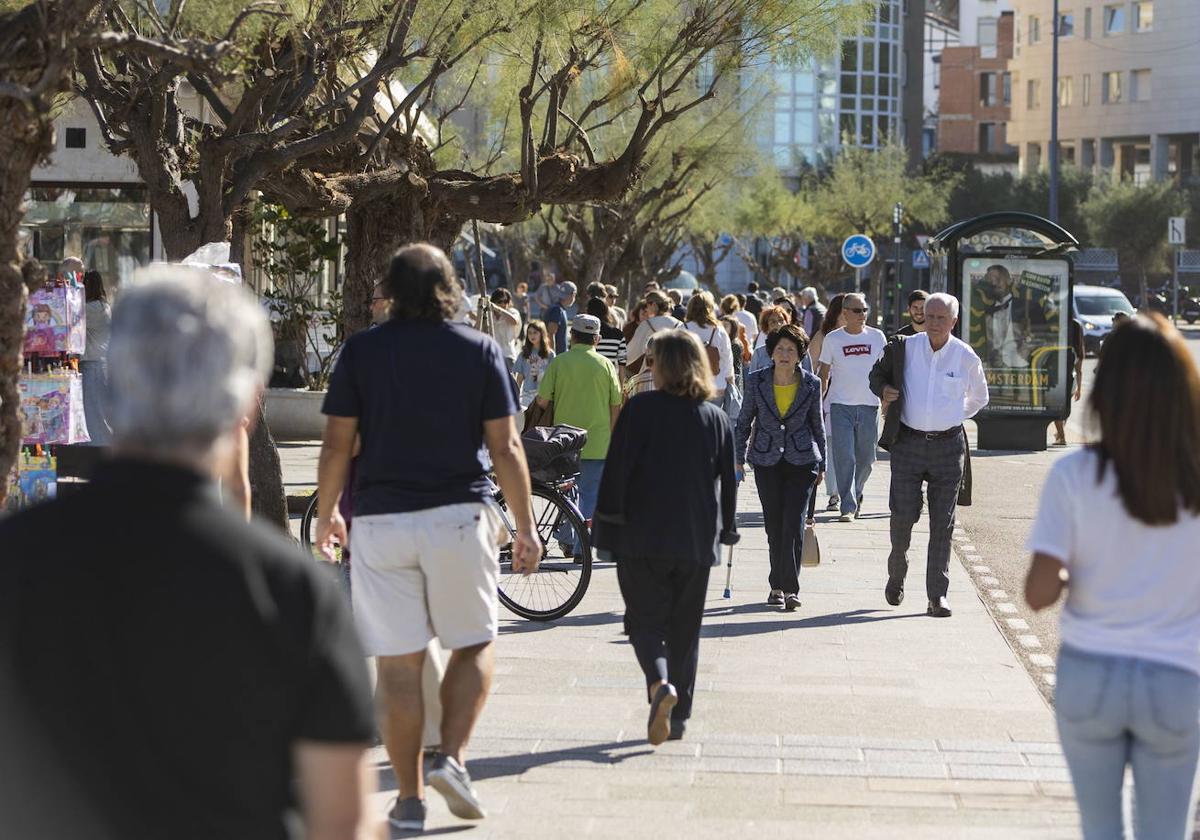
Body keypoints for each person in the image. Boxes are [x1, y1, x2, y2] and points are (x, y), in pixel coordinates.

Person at [0, 267, 378, 839]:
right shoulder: (293, 591)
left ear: (114, 385)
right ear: (240, 407)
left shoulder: (17, 558)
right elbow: (344, 823)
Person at [316, 243, 541, 832]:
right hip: (456, 518)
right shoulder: (479, 350)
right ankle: (452, 758)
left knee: (397, 667)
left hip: (380, 523)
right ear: (450, 290)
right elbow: (506, 447)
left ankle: (410, 801)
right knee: (474, 643)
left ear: (388, 290)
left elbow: (337, 443)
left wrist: (327, 517)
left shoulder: (360, 352)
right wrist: (525, 527)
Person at [1024, 314, 1200, 840]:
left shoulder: (1075, 475)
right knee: (1164, 830)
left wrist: (1077, 569)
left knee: (1100, 827)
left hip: (1091, 673)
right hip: (1176, 677)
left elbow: (1037, 594)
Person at [594, 329, 738, 744]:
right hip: (695, 539)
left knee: (642, 622)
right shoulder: (715, 417)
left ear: (662, 366)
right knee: (685, 629)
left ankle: (659, 686)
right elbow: (728, 480)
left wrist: (605, 526)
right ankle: (679, 718)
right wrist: (727, 528)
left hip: (641, 536)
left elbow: (616, 469)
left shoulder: (640, 410)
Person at [870, 293, 989, 618]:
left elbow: (980, 395)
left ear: (953, 321)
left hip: (948, 448)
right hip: (907, 442)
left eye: (941, 318)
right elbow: (875, 375)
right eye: (929, 316)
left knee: (943, 524)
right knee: (902, 517)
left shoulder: (965, 356)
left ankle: (937, 596)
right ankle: (897, 572)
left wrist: (954, 413)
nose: (934, 322)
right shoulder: (904, 347)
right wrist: (884, 391)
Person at [735, 324, 825, 611]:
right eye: (780, 349)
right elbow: (744, 422)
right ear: (771, 353)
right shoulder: (756, 380)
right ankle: (776, 583)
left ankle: (790, 589)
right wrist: (738, 457)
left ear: (799, 355)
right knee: (774, 525)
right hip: (766, 459)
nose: (785, 354)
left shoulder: (811, 383)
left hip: (802, 461)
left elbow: (817, 424)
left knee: (794, 523)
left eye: (791, 350)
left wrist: (821, 461)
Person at [534, 314, 623, 548]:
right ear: (597, 339)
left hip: (563, 443)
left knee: (565, 493)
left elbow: (542, 401)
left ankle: (567, 537)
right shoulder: (606, 365)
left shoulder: (559, 363)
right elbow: (616, 406)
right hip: (598, 442)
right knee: (590, 495)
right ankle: (580, 546)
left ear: (572, 336)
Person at [817, 293, 886, 521]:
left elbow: (886, 371)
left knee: (866, 458)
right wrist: (817, 401)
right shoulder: (833, 339)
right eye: (857, 311)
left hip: (869, 406)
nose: (863, 315)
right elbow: (824, 374)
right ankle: (848, 504)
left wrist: (888, 399)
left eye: (865, 310)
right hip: (840, 406)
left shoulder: (877, 337)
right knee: (844, 456)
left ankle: (857, 492)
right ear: (844, 313)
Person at [808, 294, 847, 512]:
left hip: (856, 399)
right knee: (832, 446)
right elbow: (810, 365)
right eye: (847, 311)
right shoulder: (823, 336)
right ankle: (835, 493)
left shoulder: (863, 336)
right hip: (828, 399)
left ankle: (850, 490)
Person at [684, 291, 735, 404]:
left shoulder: (683, 329)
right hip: (716, 384)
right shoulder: (718, 330)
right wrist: (729, 377)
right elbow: (727, 356)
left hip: (689, 384)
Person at [80, 269, 112, 445]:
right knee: (97, 415)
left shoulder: (92, 309)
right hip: (99, 365)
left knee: (93, 417)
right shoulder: (103, 306)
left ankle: (102, 456)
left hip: (92, 366)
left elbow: (71, 313)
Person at [626, 290, 683, 373]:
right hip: (674, 372)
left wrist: (617, 364)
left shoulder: (646, 324)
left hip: (651, 372)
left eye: (647, 305)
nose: (645, 308)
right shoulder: (679, 324)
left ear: (654, 305)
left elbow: (631, 352)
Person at [1052, 316, 1085, 446]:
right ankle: (1059, 434)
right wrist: (1079, 389)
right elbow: (1079, 371)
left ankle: (1062, 436)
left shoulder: (1063, 348)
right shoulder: (1078, 351)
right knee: (1064, 409)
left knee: (1055, 410)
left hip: (1061, 381)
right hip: (1072, 383)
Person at [513, 320, 556, 409]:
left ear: (542, 334)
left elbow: (553, 377)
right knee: (527, 422)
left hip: (544, 396)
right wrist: (516, 397)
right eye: (529, 333)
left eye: (535, 333)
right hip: (527, 395)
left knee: (541, 422)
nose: (532, 335)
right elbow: (519, 378)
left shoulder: (550, 354)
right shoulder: (524, 354)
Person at [587, 296, 628, 382]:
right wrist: (622, 389)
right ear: (606, 311)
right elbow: (622, 365)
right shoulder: (618, 334)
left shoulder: (585, 334)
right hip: (608, 380)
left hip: (588, 380)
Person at [487, 287, 523, 365]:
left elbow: (514, 321)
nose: (503, 304)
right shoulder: (489, 314)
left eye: (506, 301)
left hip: (508, 355)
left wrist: (498, 309)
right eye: (500, 301)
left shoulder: (512, 311)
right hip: (492, 354)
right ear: (493, 301)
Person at [542, 280, 576, 354]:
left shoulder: (559, 309)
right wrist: (553, 357)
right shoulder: (557, 310)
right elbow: (551, 334)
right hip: (556, 357)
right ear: (573, 294)